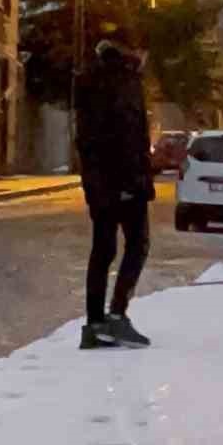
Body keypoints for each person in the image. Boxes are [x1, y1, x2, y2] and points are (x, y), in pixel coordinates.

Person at [75, 34, 155, 349]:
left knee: (103, 249)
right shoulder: (125, 80)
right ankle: (117, 315)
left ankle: (94, 323)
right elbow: (126, 134)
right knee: (138, 244)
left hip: (97, 183)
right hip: (124, 182)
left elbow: (87, 137)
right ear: (133, 49)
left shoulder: (88, 78)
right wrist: (129, 182)